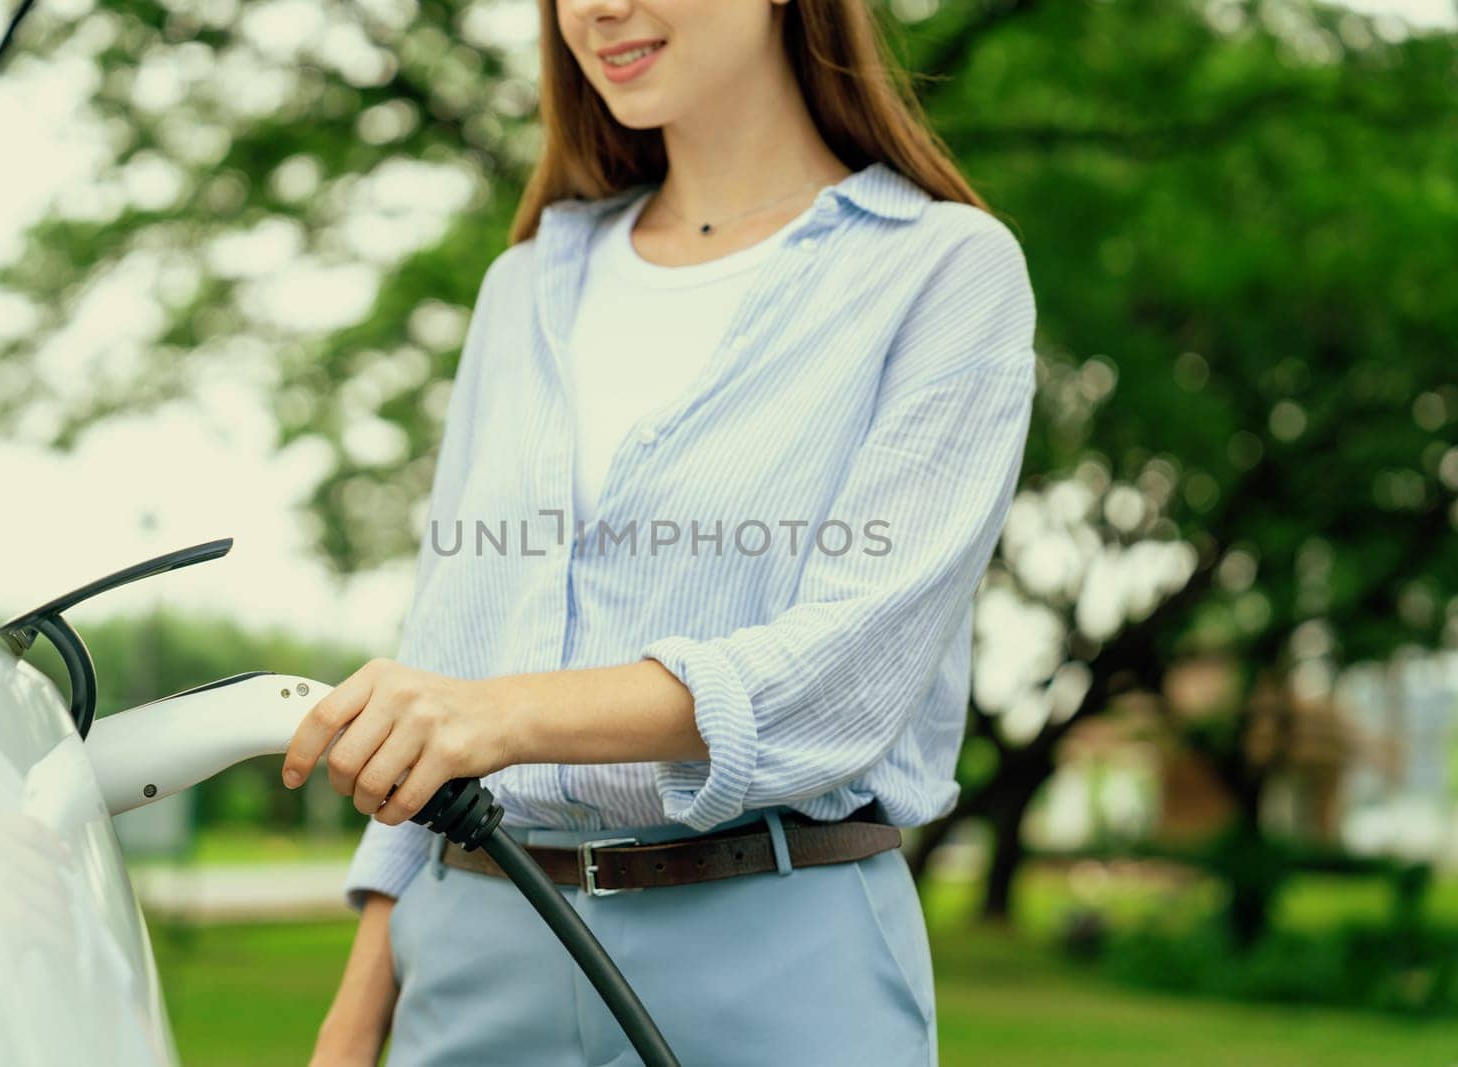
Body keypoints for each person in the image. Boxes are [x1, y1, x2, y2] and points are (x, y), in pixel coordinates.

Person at [289, 0, 1038, 1063]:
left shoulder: (942, 269)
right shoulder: (525, 287)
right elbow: (443, 655)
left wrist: (503, 716)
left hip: (779, 957)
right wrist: (355, 1015)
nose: (595, 7)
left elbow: (850, 670)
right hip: (469, 951)